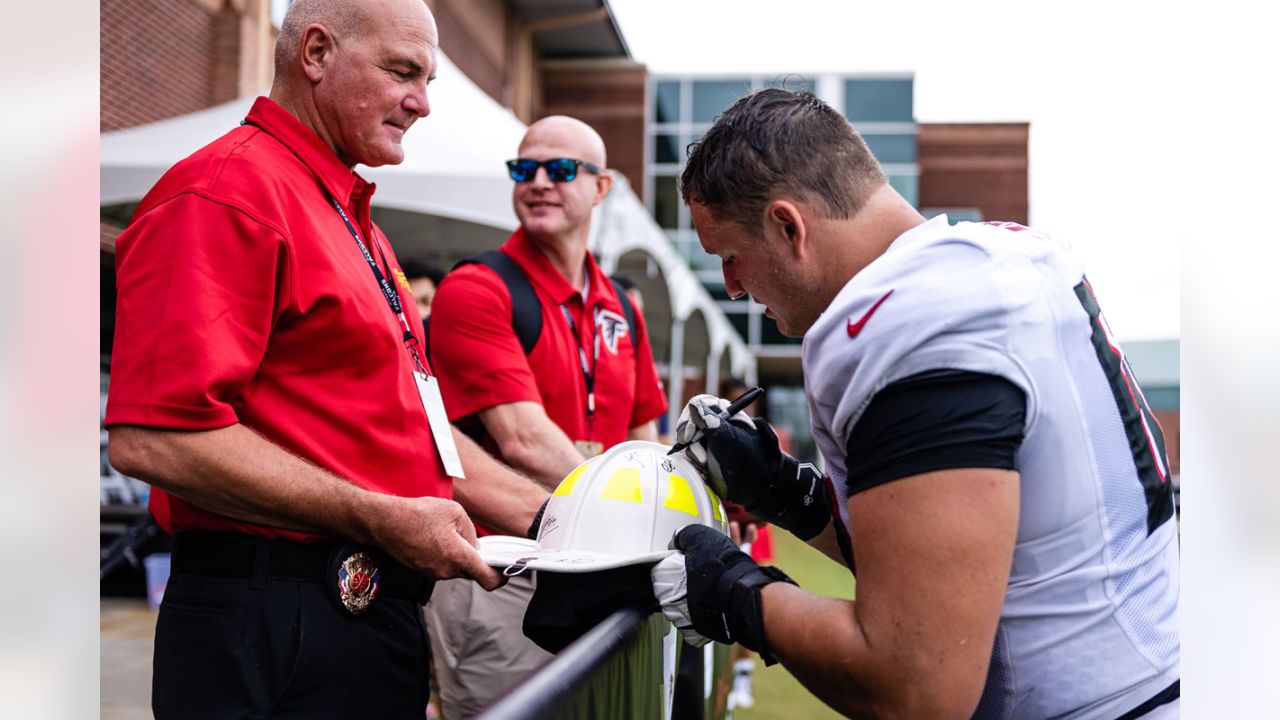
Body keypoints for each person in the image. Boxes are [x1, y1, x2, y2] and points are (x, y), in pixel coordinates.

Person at [653, 89, 1180, 719]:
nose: (734, 286)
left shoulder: (913, 321)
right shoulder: (1005, 258)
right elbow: (956, 559)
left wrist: (733, 592)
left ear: (789, 226)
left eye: (731, 259)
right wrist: (783, 488)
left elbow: (916, 689)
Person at [104, 1, 545, 717]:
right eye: (403, 72)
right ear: (315, 53)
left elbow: (419, 432)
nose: (423, 104)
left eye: (427, 79)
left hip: (355, 616)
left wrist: (551, 515)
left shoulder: (345, 212)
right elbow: (156, 436)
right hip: (272, 614)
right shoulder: (228, 192)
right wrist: (380, 517)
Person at [427, 115, 667, 716]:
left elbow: (645, 441)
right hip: (504, 574)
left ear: (601, 188)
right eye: (523, 169)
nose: (537, 181)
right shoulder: (477, 287)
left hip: (602, 568)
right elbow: (523, 440)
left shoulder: (619, 306)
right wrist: (640, 519)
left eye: (559, 170)